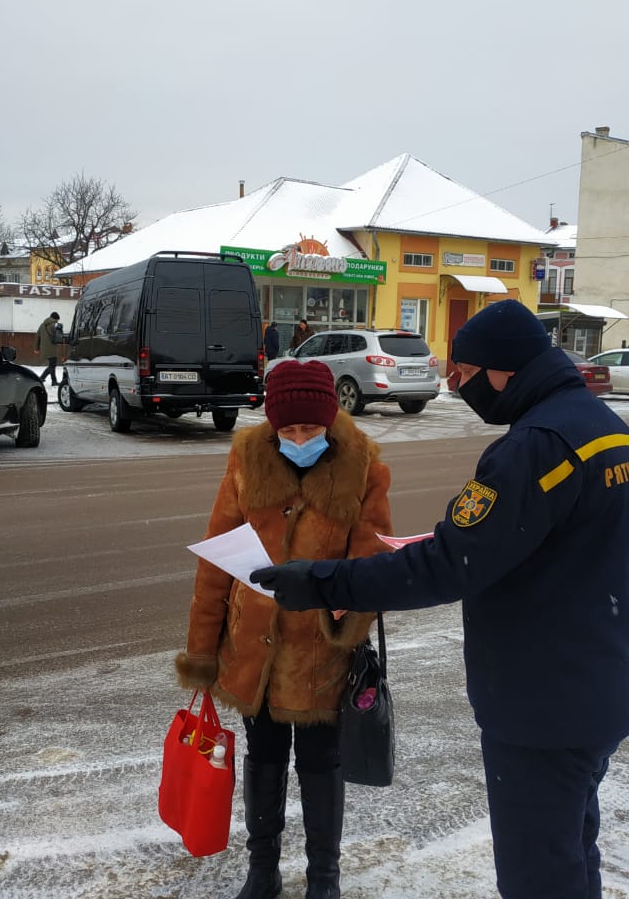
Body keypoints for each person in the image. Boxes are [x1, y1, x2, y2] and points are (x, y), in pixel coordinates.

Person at [253, 300, 629, 899]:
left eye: (462, 374)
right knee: (572, 853)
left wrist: (324, 582)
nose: (455, 387)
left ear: (502, 370)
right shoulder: (609, 432)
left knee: (538, 876)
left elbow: (447, 565)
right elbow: (625, 555)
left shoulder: (534, 448)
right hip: (599, 683)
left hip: (541, 704)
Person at [176, 359, 392, 899]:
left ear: (330, 419)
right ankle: (262, 868)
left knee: (321, 763)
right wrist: (202, 650)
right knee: (264, 758)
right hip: (253, 650)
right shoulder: (246, 458)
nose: (299, 439)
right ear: (272, 426)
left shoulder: (364, 464)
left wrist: (342, 612)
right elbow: (216, 561)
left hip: (320, 654)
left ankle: (324, 875)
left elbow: (372, 558)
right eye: (288, 430)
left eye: (310, 429)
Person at [35, 311, 63, 387]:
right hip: (52, 348)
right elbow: (59, 336)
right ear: (56, 319)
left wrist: (36, 348)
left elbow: (37, 336)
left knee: (52, 364)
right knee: (52, 365)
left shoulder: (42, 325)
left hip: (44, 348)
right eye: (57, 320)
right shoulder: (55, 325)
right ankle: (41, 378)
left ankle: (54, 381)